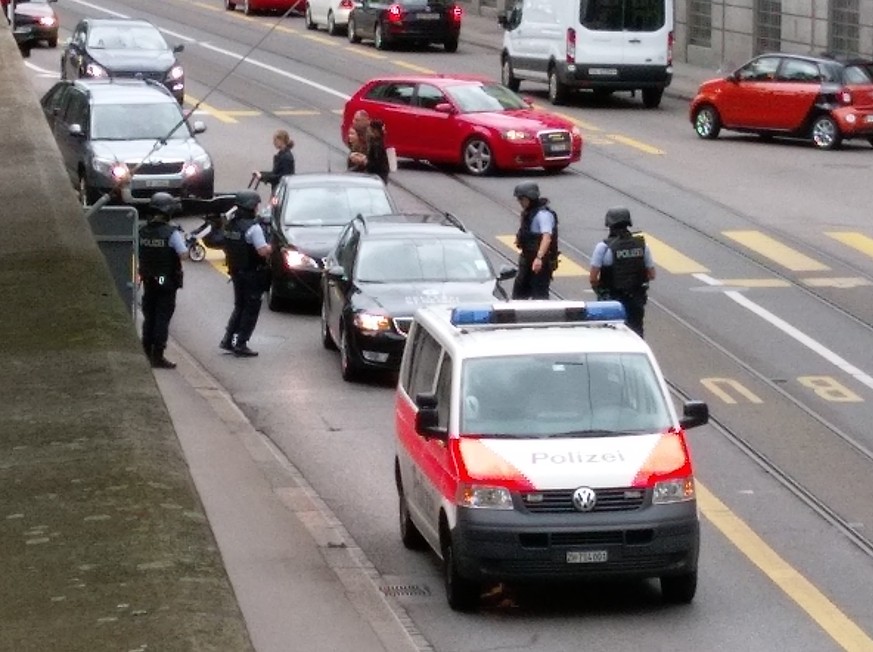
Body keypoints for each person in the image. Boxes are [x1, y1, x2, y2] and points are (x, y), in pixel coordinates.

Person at [220, 190, 273, 357]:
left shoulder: (231, 225)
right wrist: (273, 247)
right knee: (250, 309)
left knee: (239, 306)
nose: (258, 208)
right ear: (251, 207)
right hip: (252, 273)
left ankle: (228, 340)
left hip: (236, 271)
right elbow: (262, 251)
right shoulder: (254, 228)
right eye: (257, 205)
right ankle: (241, 343)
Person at [589, 207, 656, 338]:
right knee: (636, 333)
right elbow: (651, 274)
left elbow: (593, 278)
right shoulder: (642, 245)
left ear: (609, 224)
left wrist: (600, 290)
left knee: (611, 334)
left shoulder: (603, 247)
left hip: (611, 300)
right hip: (636, 299)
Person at [138, 192, 188, 369]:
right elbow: (184, 254)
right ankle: (157, 355)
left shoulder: (142, 230)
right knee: (162, 316)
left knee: (149, 316)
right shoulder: (171, 233)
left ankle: (146, 350)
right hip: (163, 279)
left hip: (148, 278)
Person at [511, 182, 558, 300]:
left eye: (521, 199)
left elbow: (546, 238)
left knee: (539, 295)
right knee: (518, 294)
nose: (520, 202)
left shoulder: (543, 214)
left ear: (529, 198)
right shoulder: (529, 213)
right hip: (527, 259)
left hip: (539, 262)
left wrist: (539, 258)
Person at [254, 129, 295, 194]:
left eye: (275, 140)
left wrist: (263, 177)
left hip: (281, 192)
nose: (274, 142)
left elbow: (282, 177)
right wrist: (261, 174)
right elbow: (275, 173)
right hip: (278, 190)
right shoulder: (282, 155)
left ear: (281, 141)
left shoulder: (286, 157)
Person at [365, 119, 390, 183]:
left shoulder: (377, 145)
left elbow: (377, 163)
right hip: (379, 175)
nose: (368, 131)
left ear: (375, 131)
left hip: (377, 176)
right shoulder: (377, 142)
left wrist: (364, 162)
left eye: (370, 129)